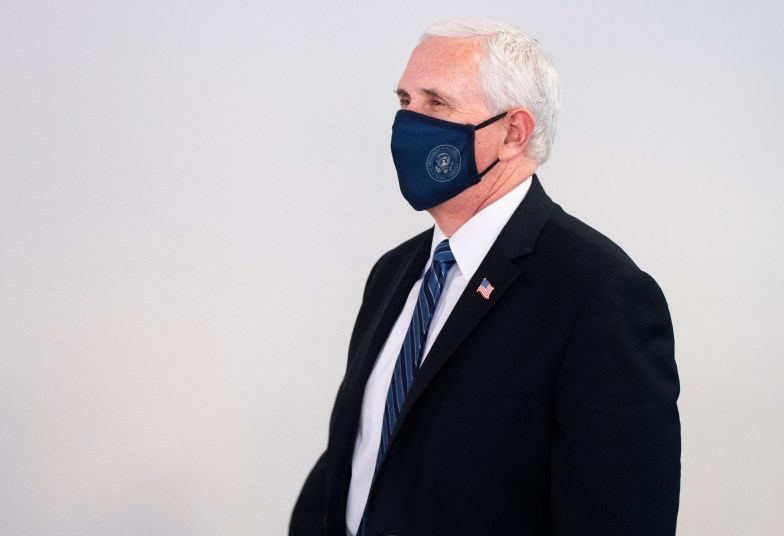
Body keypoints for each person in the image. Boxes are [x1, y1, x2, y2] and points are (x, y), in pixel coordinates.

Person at [290, 18, 680, 536]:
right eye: (404, 99)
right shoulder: (394, 273)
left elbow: (620, 517)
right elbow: (361, 454)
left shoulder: (599, 294)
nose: (408, 122)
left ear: (513, 133)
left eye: (436, 103)